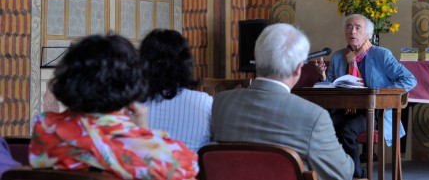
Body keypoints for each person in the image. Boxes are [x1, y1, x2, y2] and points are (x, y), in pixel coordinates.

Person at [29, 34, 198, 180]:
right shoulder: (163, 155)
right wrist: (142, 132)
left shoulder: (44, 129)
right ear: (132, 83)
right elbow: (185, 170)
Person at [211, 23, 354, 180]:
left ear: (256, 58)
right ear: (298, 68)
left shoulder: (220, 103)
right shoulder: (314, 117)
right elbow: (343, 173)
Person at [315, 14, 417, 179]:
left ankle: (357, 175)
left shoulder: (381, 55)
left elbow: (409, 79)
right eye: (349, 27)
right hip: (344, 109)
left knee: (347, 130)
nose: (352, 31)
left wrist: (382, 95)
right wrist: (322, 76)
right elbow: (330, 87)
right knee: (321, 127)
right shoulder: (338, 57)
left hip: (374, 112)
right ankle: (334, 173)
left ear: (367, 34)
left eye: (357, 28)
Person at [140, 28, 213, 152]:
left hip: (143, 170)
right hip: (192, 170)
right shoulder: (205, 102)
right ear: (186, 63)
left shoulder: (131, 106)